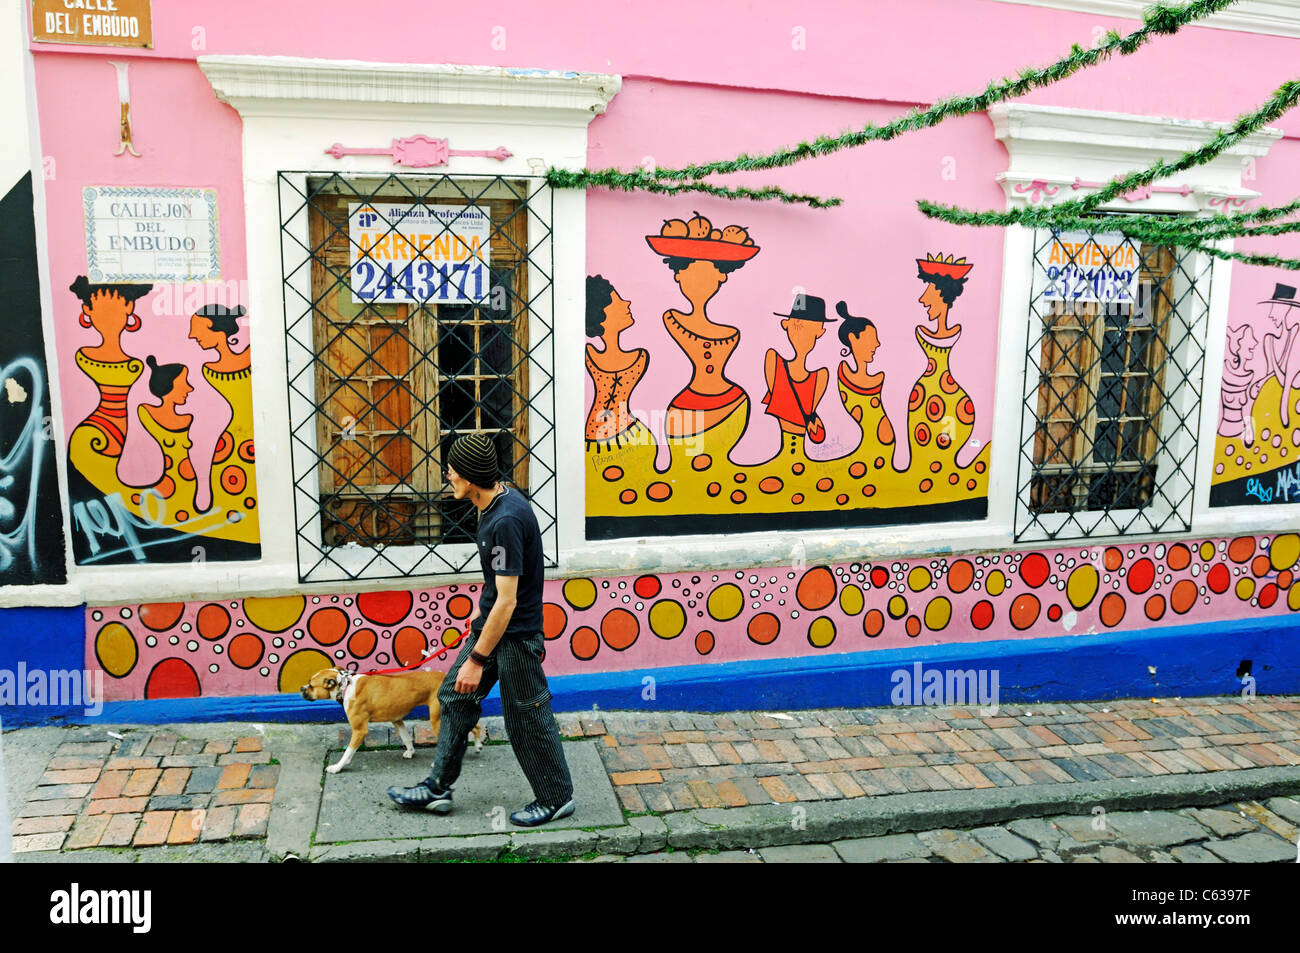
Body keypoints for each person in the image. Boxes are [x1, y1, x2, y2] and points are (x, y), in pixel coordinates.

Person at [388, 432, 575, 826]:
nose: (448, 476)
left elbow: (507, 600)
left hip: (516, 637)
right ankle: (438, 787)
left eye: (453, 470)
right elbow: (499, 590)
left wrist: (476, 658)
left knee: (526, 717)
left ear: (471, 477)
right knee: (454, 698)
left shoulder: (505, 519)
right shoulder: (493, 503)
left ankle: (556, 797)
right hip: (493, 628)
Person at [761, 294, 833, 469]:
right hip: (775, 451)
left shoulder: (820, 376)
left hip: (803, 458)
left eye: (808, 327)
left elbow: (806, 410)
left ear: (820, 332)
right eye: (796, 325)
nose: (800, 332)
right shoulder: (774, 361)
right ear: (785, 325)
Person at [835, 300, 896, 461]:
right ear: (853, 339)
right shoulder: (844, 375)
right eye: (871, 338)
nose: (877, 344)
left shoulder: (879, 378)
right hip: (865, 456)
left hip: (883, 455)